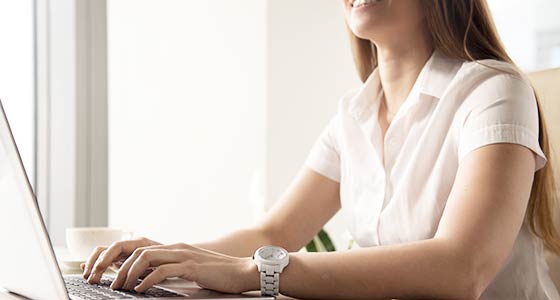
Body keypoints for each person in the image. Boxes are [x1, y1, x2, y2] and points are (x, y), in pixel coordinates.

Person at [82, 0, 560, 299]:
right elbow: (277, 229)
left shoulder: (494, 91)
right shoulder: (352, 115)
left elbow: (462, 268)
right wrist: (167, 257)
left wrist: (256, 273)